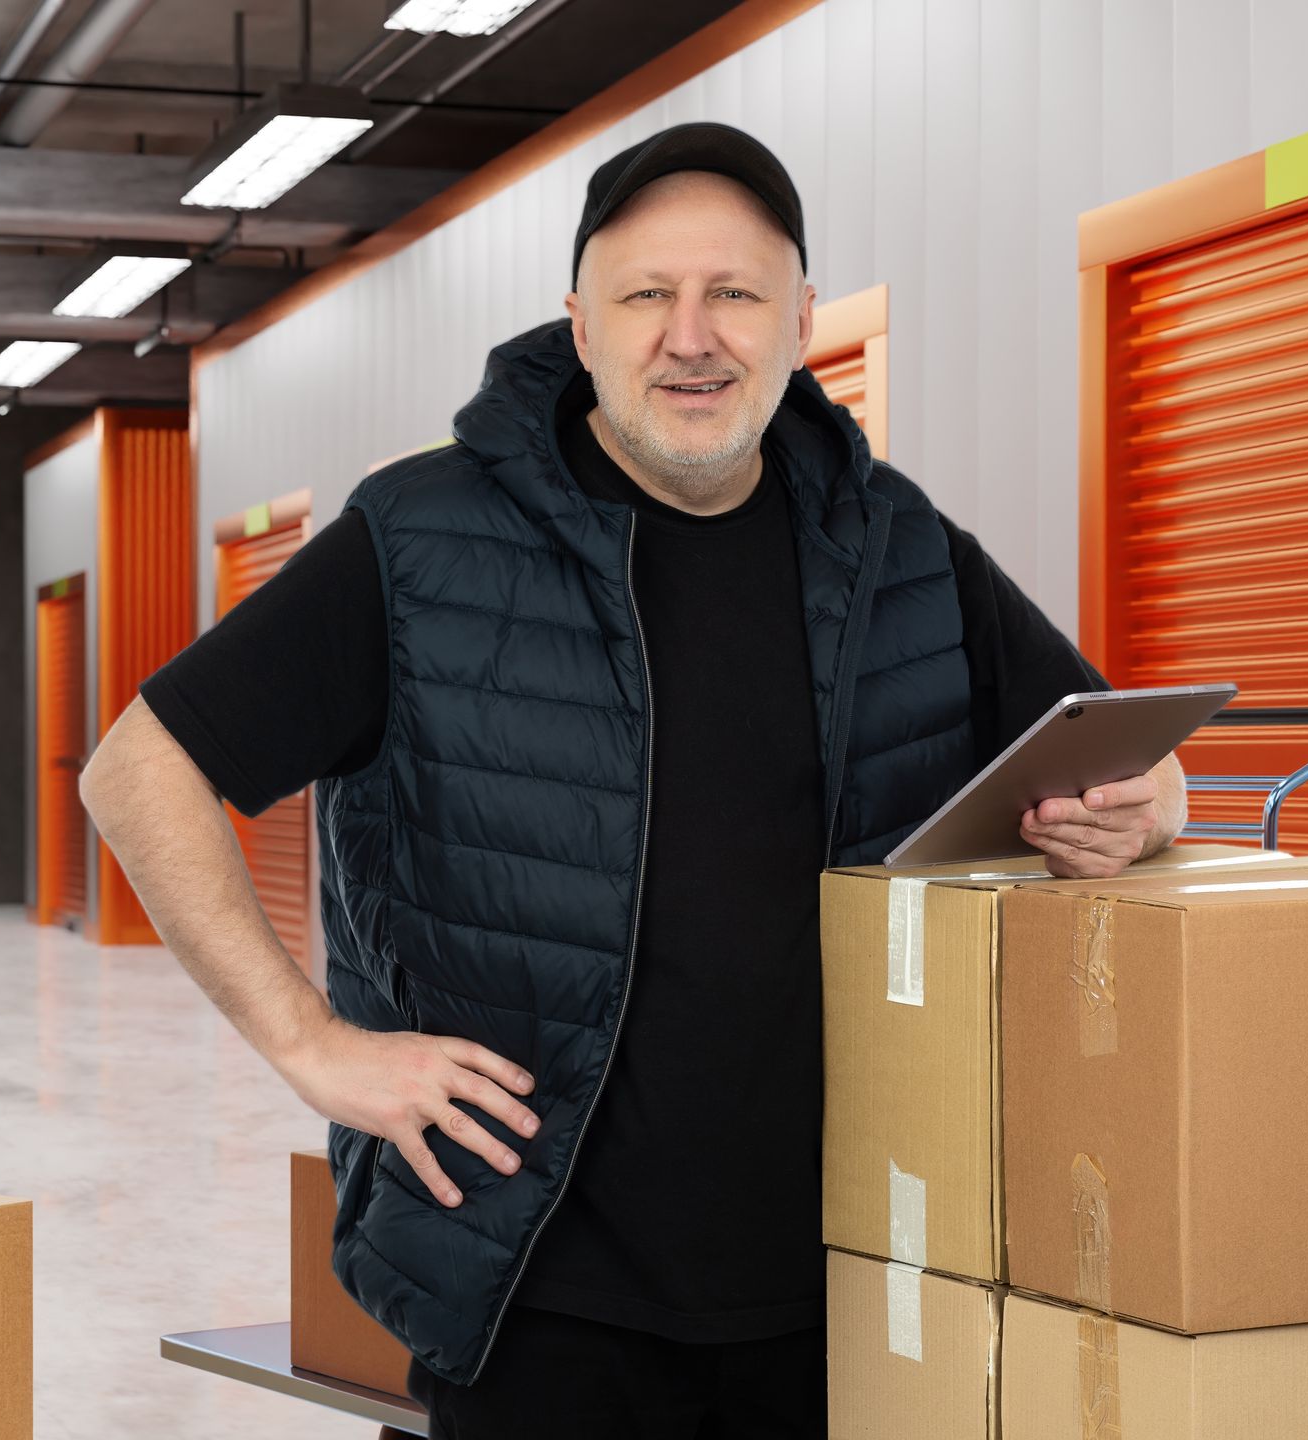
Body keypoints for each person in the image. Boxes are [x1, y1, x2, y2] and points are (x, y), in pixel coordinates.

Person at [78, 121, 1187, 1439]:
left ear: (803, 320)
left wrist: (1150, 807)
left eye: (735, 293)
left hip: (841, 1295)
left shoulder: (898, 546)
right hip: (533, 1302)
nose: (692, 334)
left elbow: (1122, 751)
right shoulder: (423, 539)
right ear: (581, 324)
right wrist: (311, 1045)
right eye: (647, 294)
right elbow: (140, 769)